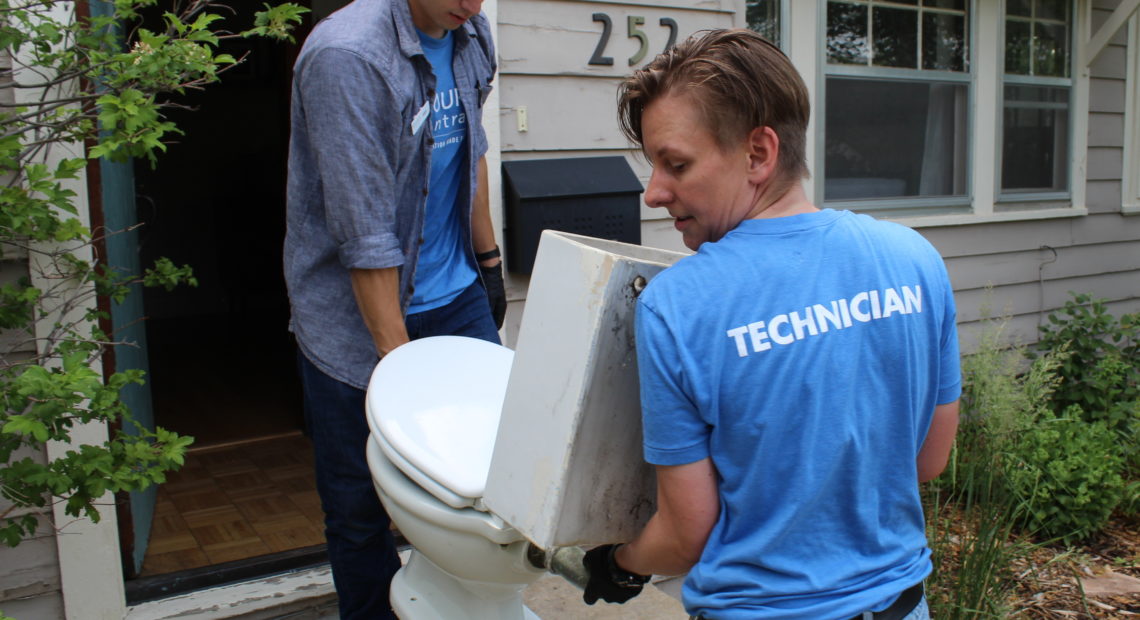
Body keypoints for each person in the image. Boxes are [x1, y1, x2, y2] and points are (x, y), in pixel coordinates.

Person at [581, 29, 961, 620]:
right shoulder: (914, 259)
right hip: (901, 605)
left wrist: (618, 564)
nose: (654, 193)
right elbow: (928, 461)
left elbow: (687, 534)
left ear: (759, 153)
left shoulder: (677, 307)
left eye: (676, 164)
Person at [283, 0, 502, 617]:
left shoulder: (471, 33)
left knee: (486, 484)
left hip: (456, 298)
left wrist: (488, 263)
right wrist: (397, 363)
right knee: (357, 511)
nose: (475, 3)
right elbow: (365, 231)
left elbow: (471, 155)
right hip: (356, 326)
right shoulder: (346, 58)